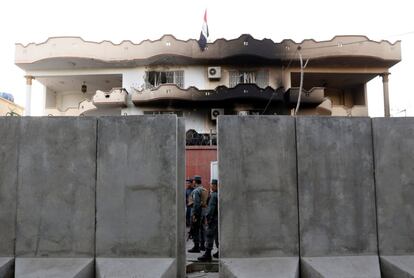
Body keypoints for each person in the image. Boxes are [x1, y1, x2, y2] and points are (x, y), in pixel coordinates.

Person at [198, 179, 219, 261]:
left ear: (215, 185)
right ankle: (219, 252)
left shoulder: (214, 195)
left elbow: (211, 209)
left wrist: (208, 218)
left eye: (212, 185)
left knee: (209, 236)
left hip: (213, 219)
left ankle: (207, 254)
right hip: (218, 219)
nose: (211, 186)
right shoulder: (218, 194)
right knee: (217, 236)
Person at [188, 175, 208, 253]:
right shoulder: (204, 189)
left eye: (193, 181)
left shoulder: (196, 191)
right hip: (203, 212)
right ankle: (202, 246)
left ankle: (196, 247)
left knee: (195, 229)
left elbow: (196, 203)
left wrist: (194, 215)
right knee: (203, 229)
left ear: (195, 182)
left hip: (197, 212)